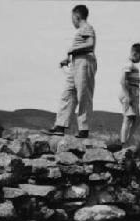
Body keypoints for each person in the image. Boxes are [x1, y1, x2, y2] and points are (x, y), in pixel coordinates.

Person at [45, 5, 97, 138]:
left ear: (76, 16)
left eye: (72, 18)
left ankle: (83, 129)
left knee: (83, 95)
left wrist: (71, 50)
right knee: (68, 93)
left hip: (85, 62)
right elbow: (80, 47)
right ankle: (60, 125)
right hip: (76, 62)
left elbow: (90, 44)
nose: (72, 21)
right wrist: (68, 58)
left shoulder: (87, 27)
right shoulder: (81, 30)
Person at [119, 43, 140, 145]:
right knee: (128, 118)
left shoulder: (132, 65)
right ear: (135, 53)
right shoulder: (129, 64)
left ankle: (127, 139)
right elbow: (123, 80)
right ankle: (123, 142)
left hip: (134, 94)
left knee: (137, 120)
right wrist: (127, 95)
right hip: (129, 93)